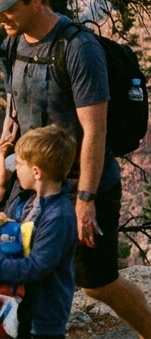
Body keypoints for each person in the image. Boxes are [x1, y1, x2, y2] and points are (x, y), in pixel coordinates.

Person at [0, 0, 151, 339]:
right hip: (27, 183)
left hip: (81, 186)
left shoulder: (78, 48)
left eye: (9, 7)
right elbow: (12, 115)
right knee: (17, 273)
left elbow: (95, 131)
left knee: (98, 282)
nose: (3, 17)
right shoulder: (11, 46)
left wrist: (85, 200)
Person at [0, 126, 77, 339]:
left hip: (42, 317)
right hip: (20, 309)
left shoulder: (57, 216)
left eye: (20, 164)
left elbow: (37, 266)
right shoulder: (25, 201)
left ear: (36, 172)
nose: (16, 170)